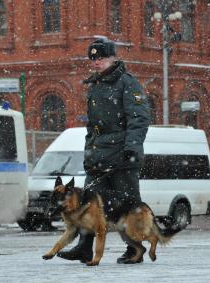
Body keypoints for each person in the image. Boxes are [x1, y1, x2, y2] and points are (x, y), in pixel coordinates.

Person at [56, 38, 150, 264]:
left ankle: (134, 249)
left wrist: (132, 149)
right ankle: (84, 248)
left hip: (121, 159)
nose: (96, 62)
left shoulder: (127, 83)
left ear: (113, 58)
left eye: (101, 58)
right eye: (93, 59)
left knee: (127, 205)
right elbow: (93, 127)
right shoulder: (96, 85)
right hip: (98, 158)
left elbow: (139, 119)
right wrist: (89, 152)